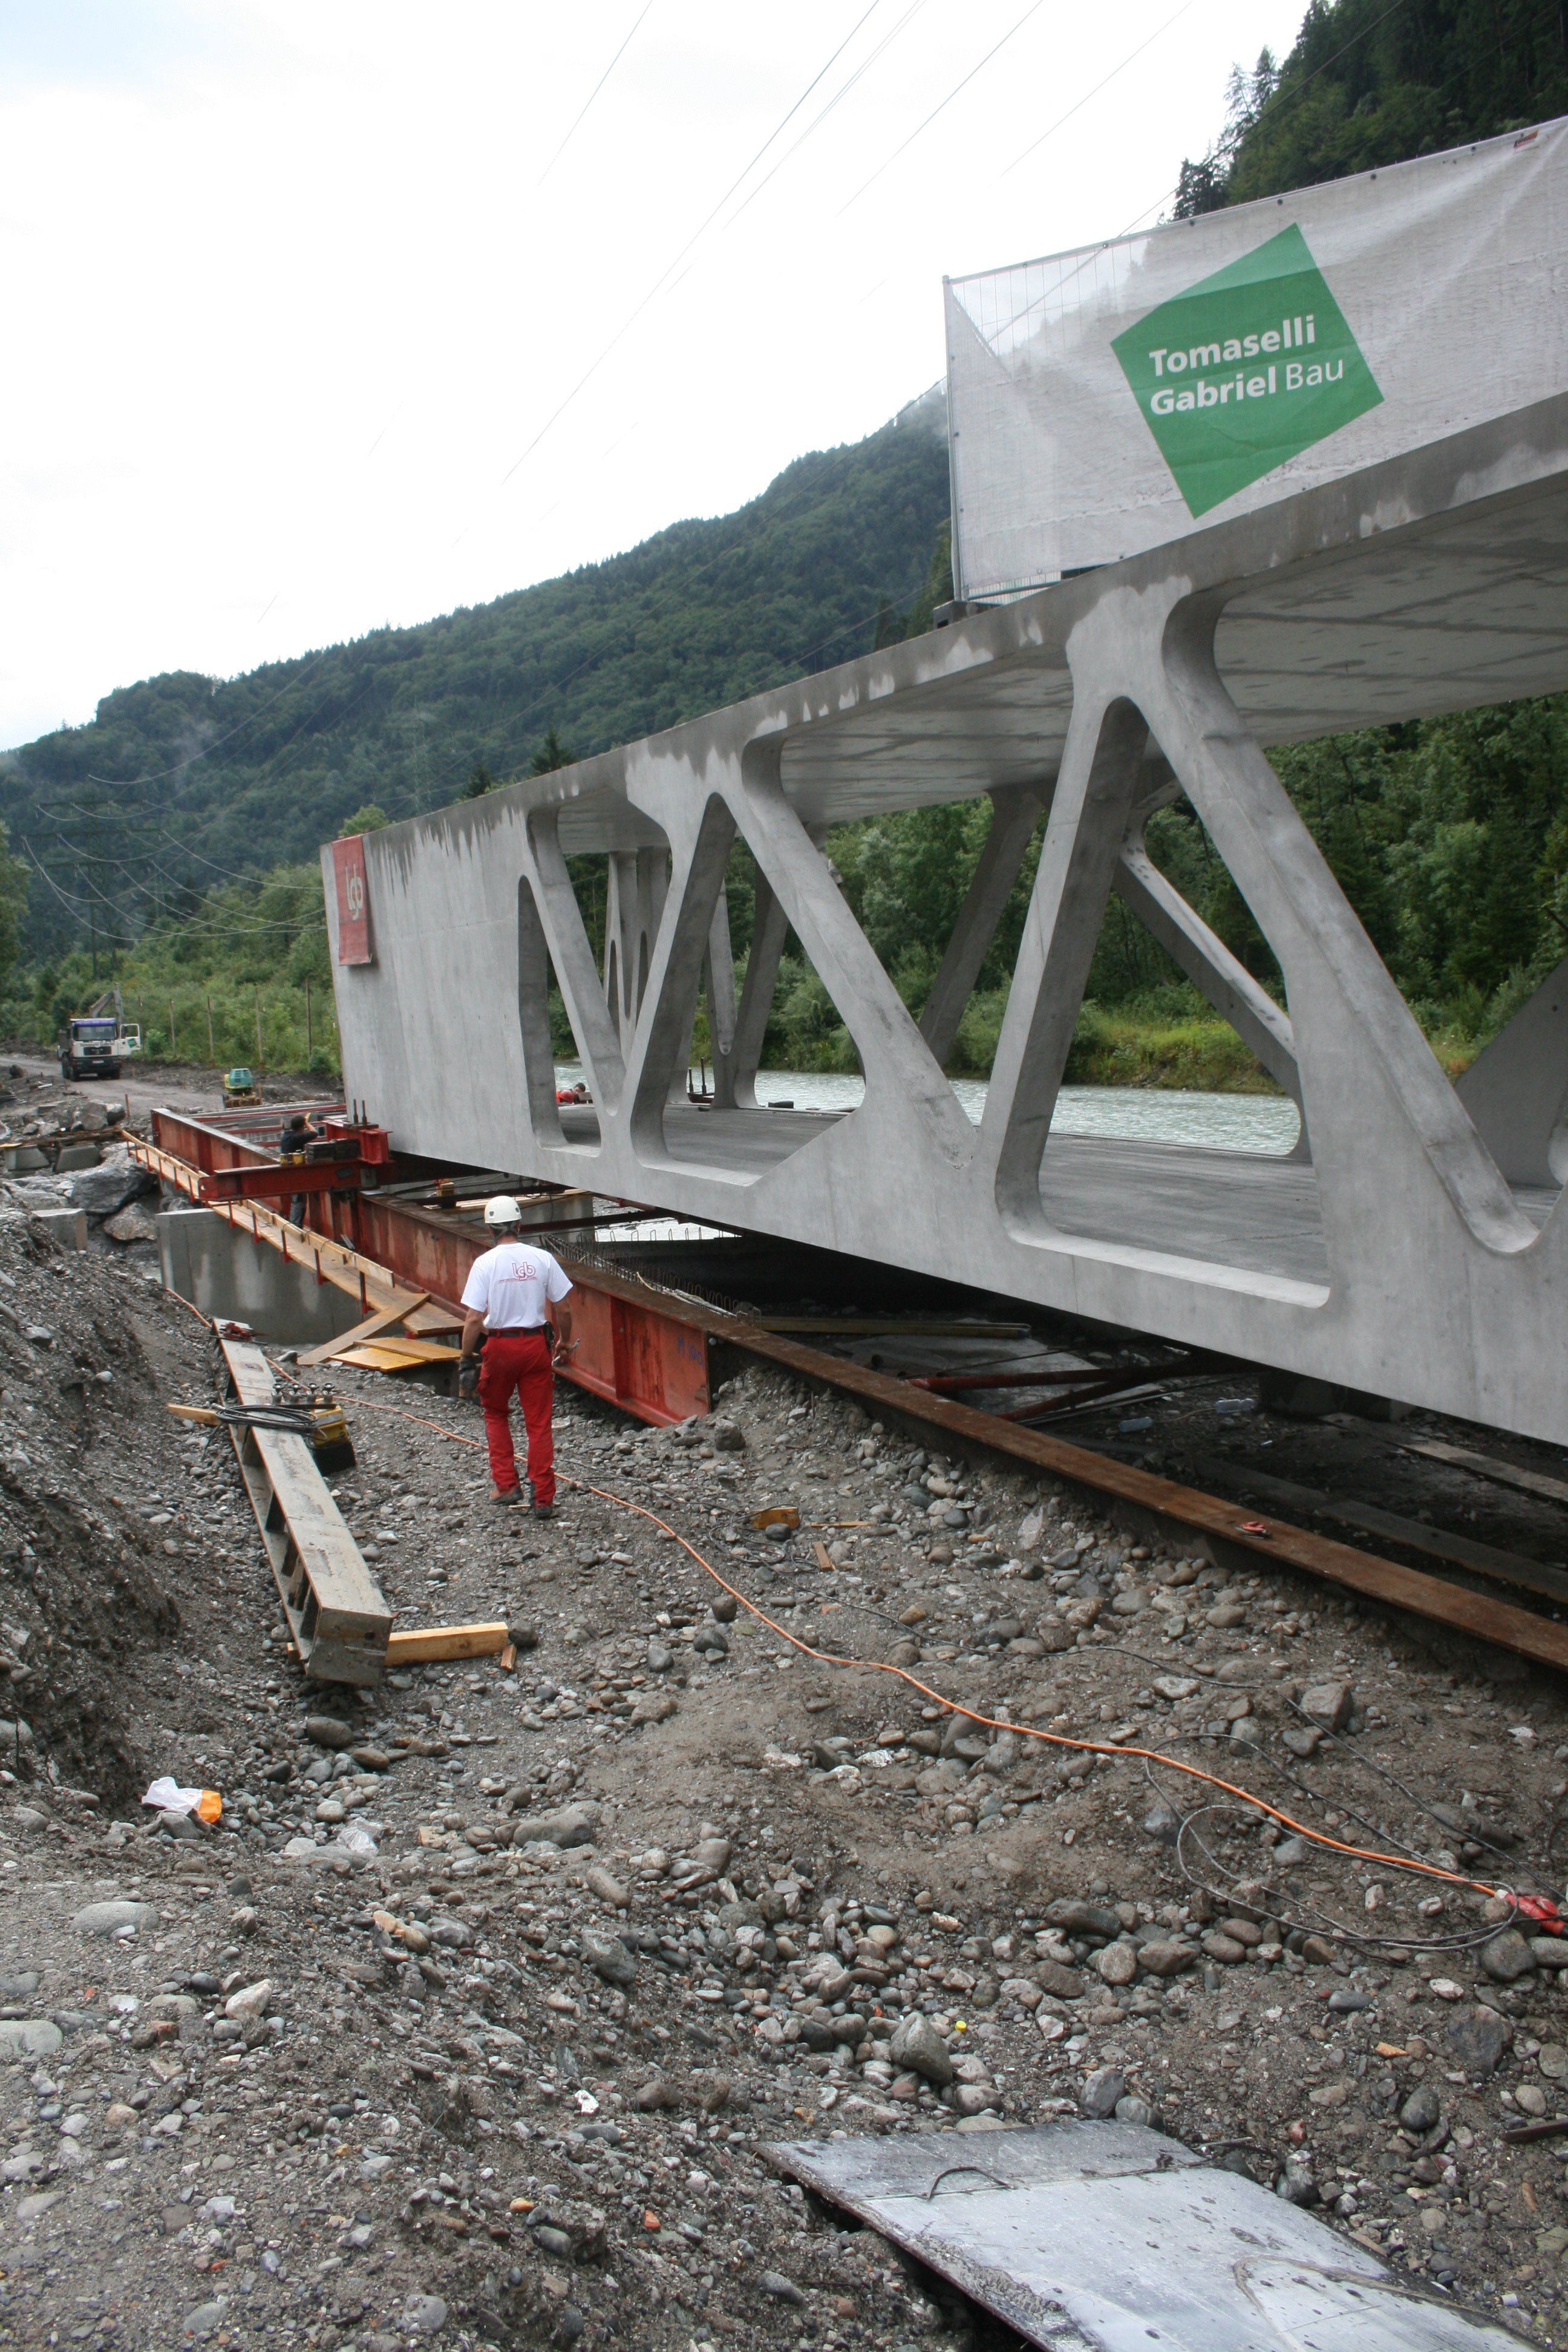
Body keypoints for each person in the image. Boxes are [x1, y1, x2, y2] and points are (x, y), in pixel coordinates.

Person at [456, 1196, 576, 1515]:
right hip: (536, 1346)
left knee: (496, 1412)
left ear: (490, 1229)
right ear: (519, 1226)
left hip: (500, 1347)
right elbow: (564, 1308)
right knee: (539, 1422)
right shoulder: (542, 1259)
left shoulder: (485, 1264)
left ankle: (507, 1486)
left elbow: (473, 1318)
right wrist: (564, 1341)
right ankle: (543, 1498)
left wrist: (466, 1358)